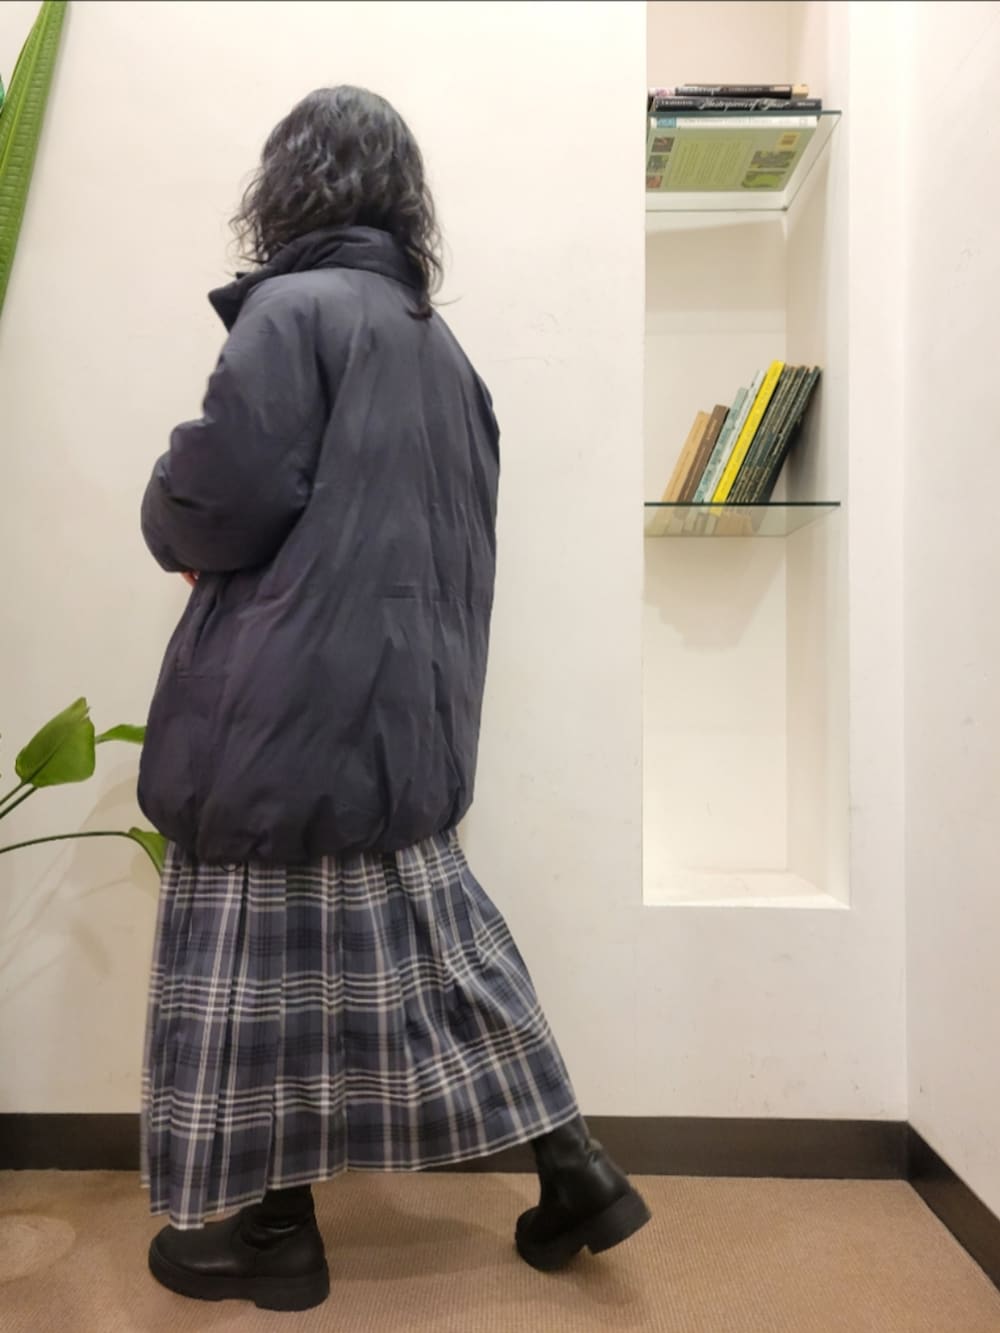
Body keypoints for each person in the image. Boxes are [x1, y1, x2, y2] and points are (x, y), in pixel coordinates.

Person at [137, 85, 650, 1313]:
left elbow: (217, 498)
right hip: (404, 716)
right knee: (437, 945)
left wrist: (164, 504)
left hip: (279, 711)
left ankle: (275, 1236)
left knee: (259, 971)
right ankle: (574, 1168)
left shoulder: (292, 313)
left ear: (285, 187)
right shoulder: (439, 348)